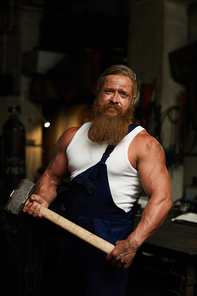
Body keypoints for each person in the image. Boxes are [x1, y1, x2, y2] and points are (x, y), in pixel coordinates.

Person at [23, 64, 172, 296]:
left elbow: (162, 199)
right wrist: (42, 198)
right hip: (70, 239)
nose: (115, 99)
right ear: (98, 92)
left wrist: (132, 244)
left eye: (123, 94)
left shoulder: (144, 145)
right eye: (109, 91)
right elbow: (51, 177)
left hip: (111, 248)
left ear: (131, 100)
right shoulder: (72, 136)